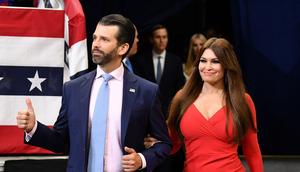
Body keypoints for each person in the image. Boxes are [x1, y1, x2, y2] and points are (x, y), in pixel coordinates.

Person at [16, 14, 171, 172]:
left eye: (104, 39)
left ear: (123, 48)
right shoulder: (73, 88)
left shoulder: (147, 91)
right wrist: (33, 128)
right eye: (95, 37)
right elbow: (60, 141)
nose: (95, 44)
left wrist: (141, 159)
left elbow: (164, 144)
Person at [167, 37, 263, 171]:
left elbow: (252, 151)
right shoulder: (182, 98)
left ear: (227, 65)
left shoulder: (242, 100)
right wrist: (149, 148)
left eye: (215, 62)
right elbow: (171, 145)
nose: (207, 67)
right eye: (203, 61)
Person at [132, 24, 185, 117]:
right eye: (158, 37)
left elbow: (180, 87)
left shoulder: (175, 61)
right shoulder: (141, 61)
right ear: (151, 39)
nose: (161, 41)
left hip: (170, 111)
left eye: (164, 37)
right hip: (146, 111)